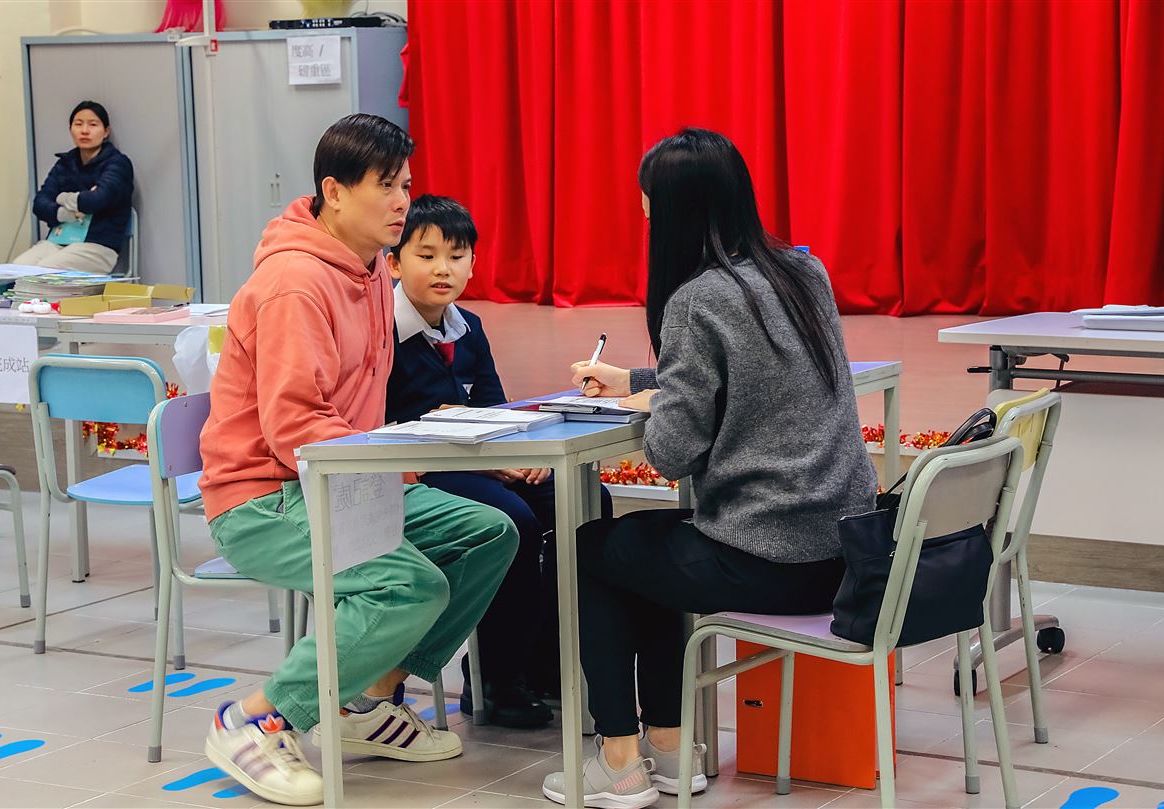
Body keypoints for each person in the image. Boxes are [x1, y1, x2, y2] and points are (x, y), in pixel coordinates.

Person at [541, 128, 877, 809]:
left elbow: (671, 453)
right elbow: (754, 377)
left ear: (674, 214)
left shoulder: (697, 299)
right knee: (646, 550)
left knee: (591, 550)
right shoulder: (804, 272)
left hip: (770, 560)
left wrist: (656, 402)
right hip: (845, 556)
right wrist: (640, 380)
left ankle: (620, 758)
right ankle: (670, 747)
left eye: (648, 211)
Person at [197, 114, 519, 806]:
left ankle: (364, 702)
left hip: (340, 479)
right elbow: (294, 427)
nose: (403, 202)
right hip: (266, 496)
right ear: (334, 192)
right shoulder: (296, 282)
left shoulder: (370, 268)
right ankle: (255, 717)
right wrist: (402, 464)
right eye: (387, 186)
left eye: (406, 185)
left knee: (489, 531)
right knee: (410, 585)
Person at [384, 194, 612, 729]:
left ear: (473, 263)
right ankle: (495, 677)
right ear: (394, 263)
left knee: (585, 500)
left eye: (456, 256)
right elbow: (378, 424)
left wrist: (526, 457)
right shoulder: (382, 333)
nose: (443, 269)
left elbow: (494, 410)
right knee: (515, 520)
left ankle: (548, 664)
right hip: (420, 472)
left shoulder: (469, 328)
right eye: (426, 255)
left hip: (480, 461)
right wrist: (473, 449)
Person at [14, 100, 133, 274]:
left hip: (97, 245)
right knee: (15, 269)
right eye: (78, 124)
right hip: (58, 241)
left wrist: (62, 198)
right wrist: (64, 213)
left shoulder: (118, 163)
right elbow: (40, 203)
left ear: (106, 131)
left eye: (93, 124)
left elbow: (98, 199)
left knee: (43, 272)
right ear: (71, 129)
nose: (84, 130)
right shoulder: (65, 163)